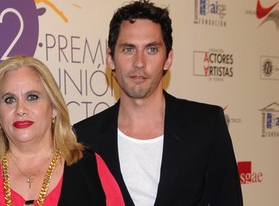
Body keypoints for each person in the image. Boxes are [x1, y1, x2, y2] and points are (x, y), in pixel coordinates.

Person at [73, 0, 243, 205]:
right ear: (110, 58)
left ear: (168, 59)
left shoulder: (206, 125)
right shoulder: (84, 137)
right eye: (128, 49)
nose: (139, 62)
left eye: (151, 49)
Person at [0, 55, 124, 206]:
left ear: (54, 108)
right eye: (9, 100)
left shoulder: (89, 167)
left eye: (32, 97)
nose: (20, 109)